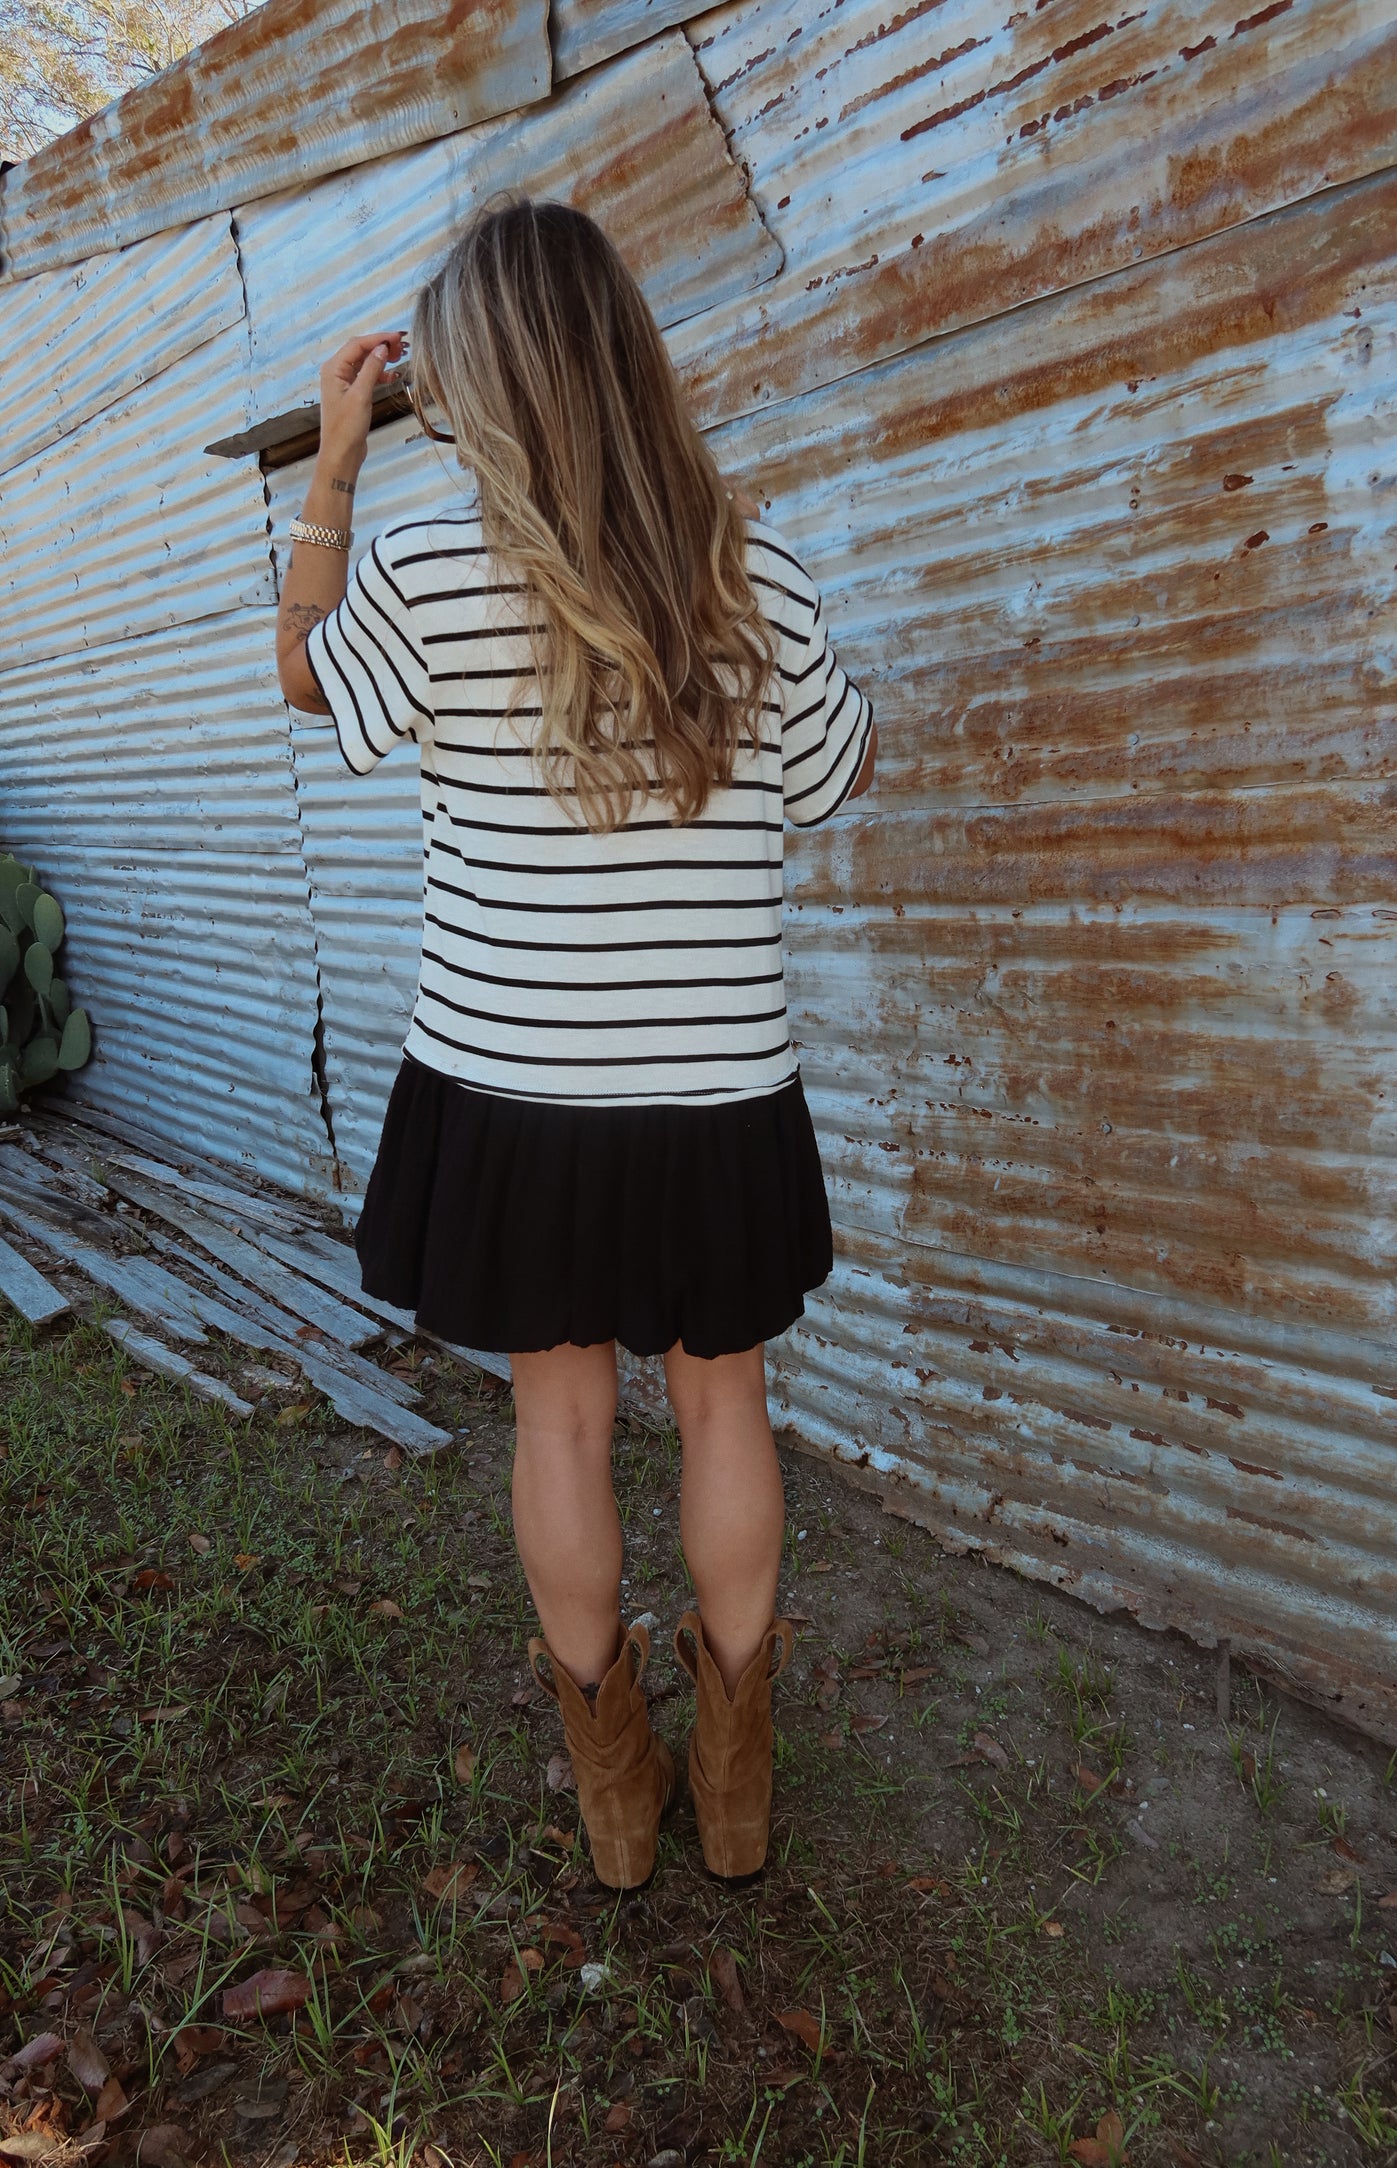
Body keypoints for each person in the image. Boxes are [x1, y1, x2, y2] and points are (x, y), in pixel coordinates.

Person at [274, 197, 876, 1889]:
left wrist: (331, 465)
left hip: (514, 1090)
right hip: (715, 1087)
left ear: (473, 385)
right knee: (722, 1408)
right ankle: (736, 1794)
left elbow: (310, 683)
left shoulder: (424, 568)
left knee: (560, 1428)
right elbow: (834, 778)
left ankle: (620, 1810)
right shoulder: (756, 570)